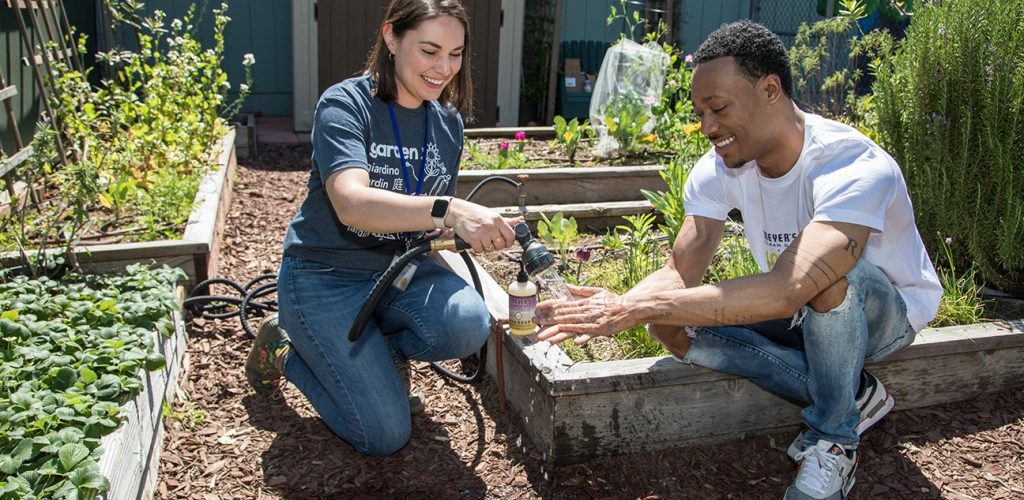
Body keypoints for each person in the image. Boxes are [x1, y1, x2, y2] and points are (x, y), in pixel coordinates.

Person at [534, 20, 941, 500]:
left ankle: (834, 438)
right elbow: (679, 272)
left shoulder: (850, 165)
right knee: (669, 325)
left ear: (771, 89)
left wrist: (636, 307)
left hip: (883, 315)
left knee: (828, 280)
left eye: (719, 108)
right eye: (700, 112)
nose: (707, 127)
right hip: (800, 310)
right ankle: (851, 394)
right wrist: (615, 307)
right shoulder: (719, 167)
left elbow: (791, 286)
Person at [244, 0, 518, 456]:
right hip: (325, 277)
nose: (443, 67)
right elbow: (352, 203)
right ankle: (287, 349)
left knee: (468, 323)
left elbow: (423, 225)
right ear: (391, 37)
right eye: (429, 50)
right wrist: (449, 209)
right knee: (384, 436)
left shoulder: (447, 122)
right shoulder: (346, 104)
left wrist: (469, 231)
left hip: (398, 272)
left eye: (455, 53)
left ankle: (380, 352)